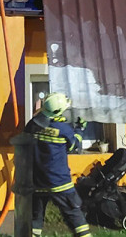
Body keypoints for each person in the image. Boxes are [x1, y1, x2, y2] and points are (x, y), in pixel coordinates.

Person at [24, 92, 91, 237]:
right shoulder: (64, 129)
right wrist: (80, 129)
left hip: (38, 182)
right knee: (74, 213)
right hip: (59, 182)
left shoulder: (32, 125)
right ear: (59, 111)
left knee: (36, 217)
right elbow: (75, 146)